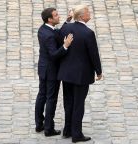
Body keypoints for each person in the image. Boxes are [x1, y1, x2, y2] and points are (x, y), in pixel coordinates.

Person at [58, 5, 102, 143]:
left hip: (67, 73)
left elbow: (59, 35)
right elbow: (93, 54)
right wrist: (99, 71)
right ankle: (76, 134)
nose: (90, 13)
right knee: (78, 104)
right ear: (82, 16)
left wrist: (67, 20)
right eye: (88, 12)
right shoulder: (88, 33)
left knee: (68, 102)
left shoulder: (66, 28)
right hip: (81, 75)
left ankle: (67, 130)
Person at [35, 8, 73, 137]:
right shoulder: (49, 35)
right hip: (51, 71)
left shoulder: (43, 29)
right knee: (51, 98)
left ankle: (39, 124)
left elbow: (57, 33)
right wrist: (65, 46)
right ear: (50, 19)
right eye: (56, 15)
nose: (58, 16)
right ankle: (48, 128)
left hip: (43, 68)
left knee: (41, 96)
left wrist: (67, 21)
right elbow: (54, 55)